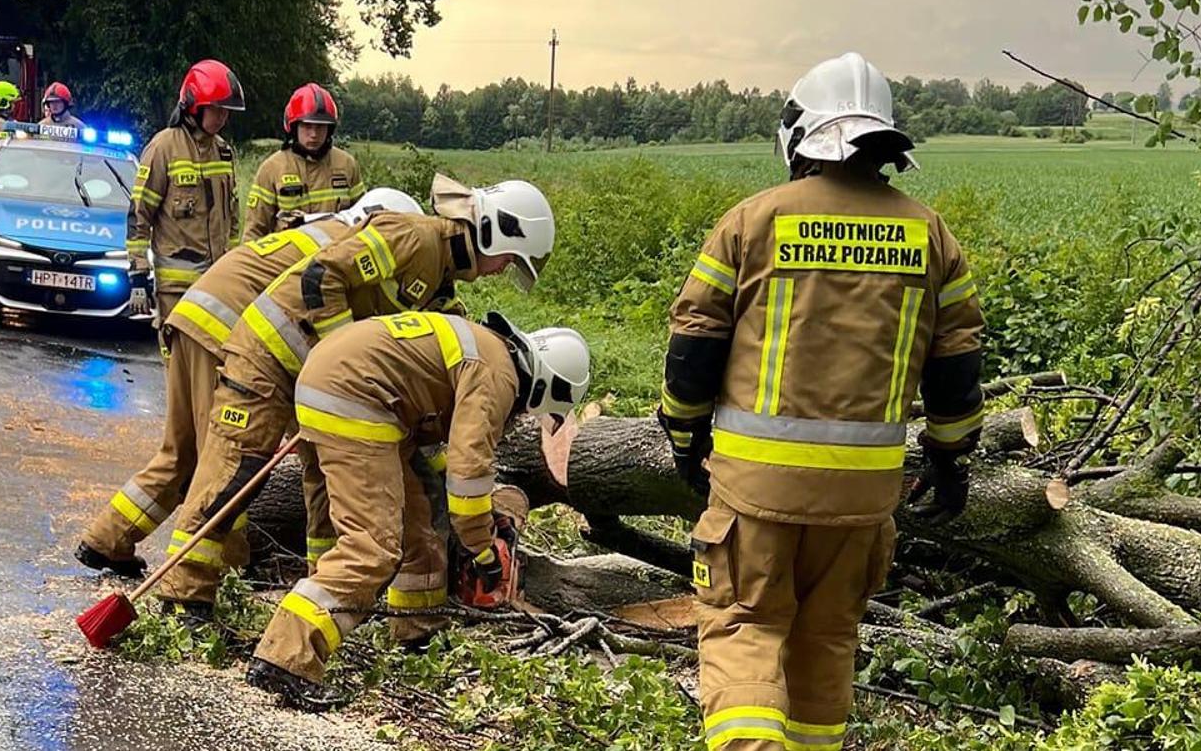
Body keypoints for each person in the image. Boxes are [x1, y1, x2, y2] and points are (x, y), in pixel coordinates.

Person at [659, 52, 985, 751]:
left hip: (756, 492)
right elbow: (958, 366)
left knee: (744, 627)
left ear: (800, 133)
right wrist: (951, 459)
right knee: (827, 638)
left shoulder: (753, 222)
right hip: (863, 501)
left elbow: (695, 344)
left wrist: (684, 437)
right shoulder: (930, 235)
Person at [152, 175, 556, 617]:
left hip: (320, 380)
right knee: (234, 472)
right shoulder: (414, 237)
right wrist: (338, 355)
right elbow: (321, 276)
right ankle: (183, 596)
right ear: (497, 230)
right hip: (269, 355)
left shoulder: (441, 284)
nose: (502, 271)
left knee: (329, 485)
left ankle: (323, 599)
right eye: (509, 260)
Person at [75, 188, 424, 578]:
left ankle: (107, 540)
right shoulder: (350, 251)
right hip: (228, 337)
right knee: (228, 464)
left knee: (182, 451)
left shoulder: (320, 230)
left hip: (192, 318)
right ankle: (229, 570)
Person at [246, 311, 588, 709]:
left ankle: (418, 631)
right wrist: (483, 549)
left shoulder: (488, 350)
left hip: (351, 390)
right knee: (371, 547)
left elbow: (438, 442)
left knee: (420, 515)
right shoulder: (500, 375)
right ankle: (285, 659)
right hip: (358, 398)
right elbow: (468, 473)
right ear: (549, 384)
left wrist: (458, 499)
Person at [125, 60, 244, 324]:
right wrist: (138, 275)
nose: (223, 117)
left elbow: (233, 218)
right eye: (216, 110)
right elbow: (139, 215)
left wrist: (233, 268)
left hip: (217, 285)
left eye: (226, 111)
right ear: (194, 106)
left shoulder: (224, 151)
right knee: (178, 360)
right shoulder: (163, 147)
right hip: (175, 290)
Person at [243, 83, 364, 241]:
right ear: (294, 127)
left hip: (334, 259)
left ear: (330, 129)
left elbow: (362, 220)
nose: (314, 134)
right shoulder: (272, 168)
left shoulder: (347, 165)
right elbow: (254, 230)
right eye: (307, 126)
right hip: (288, 261)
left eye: (320, 127)